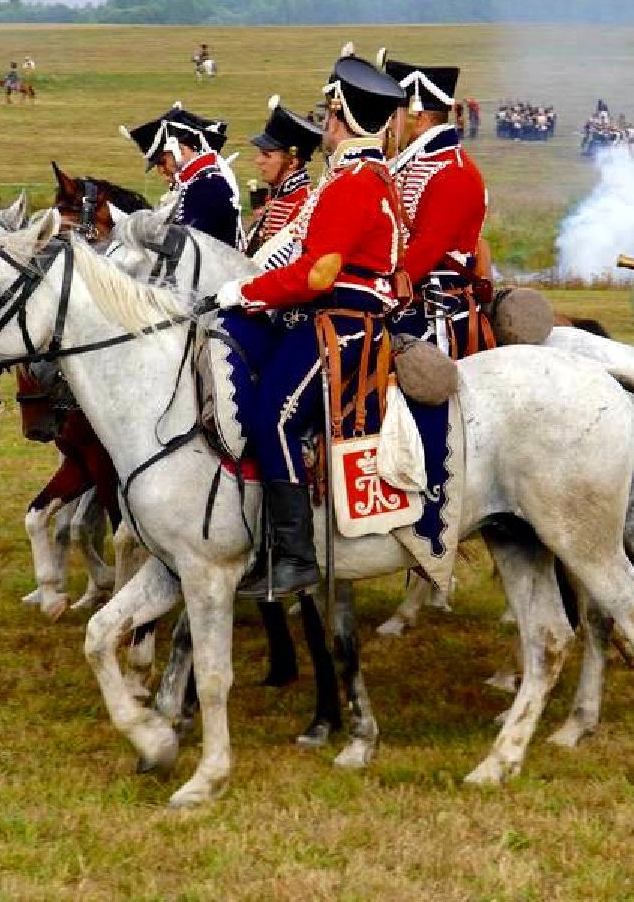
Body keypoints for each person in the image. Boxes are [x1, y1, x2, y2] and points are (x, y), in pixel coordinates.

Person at [203, 52, 407, 598]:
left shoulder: (351, 183)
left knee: (273, 415)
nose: (325, 125)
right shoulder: (364, 176)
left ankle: (294, 556)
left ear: (346, 120)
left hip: (342, 323)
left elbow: (317, 273)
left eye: (331, 115)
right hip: (341, 315)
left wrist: (244, 292)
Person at [382, 54, 489, 356]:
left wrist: (378, 291)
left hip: (436, 306)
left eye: (394, 115)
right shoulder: (413, 162)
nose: (390, 125)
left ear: (418, 117)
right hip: (410, 295)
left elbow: (426, 250)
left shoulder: (454, 171)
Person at [121, 102, 241, 248]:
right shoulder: (196, 184)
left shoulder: (206, 188)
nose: (160, 171)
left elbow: (186, 252)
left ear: (180, 150)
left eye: (162, 162)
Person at [244, 95, 322, 255]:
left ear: (292, 162)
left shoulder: (304, 206)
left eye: (266, 155)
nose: (258, 161)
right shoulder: (278, 196)